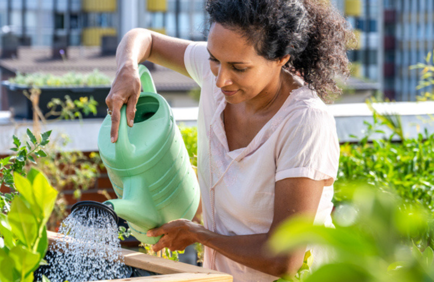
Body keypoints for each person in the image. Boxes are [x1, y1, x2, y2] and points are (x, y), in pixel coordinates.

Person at [105, 0, 352, 281]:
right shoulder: (222, 70)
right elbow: (144, 38)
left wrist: (199, 235)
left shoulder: (305, 123)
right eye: (214, 59)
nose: (221, 80)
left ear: (282, 57)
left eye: (239, 68)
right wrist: (127, 68)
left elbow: (285, 257)